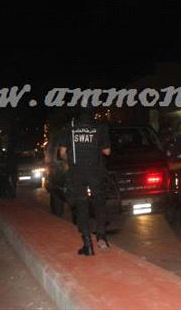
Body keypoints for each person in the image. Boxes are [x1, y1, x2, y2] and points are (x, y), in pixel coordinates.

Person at [58, 108, 112, 256]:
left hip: (77, 172)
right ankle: (102, 238)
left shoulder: (70, 128)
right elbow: (107, 151)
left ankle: (87, 244)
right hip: (95, 170)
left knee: (81, 205)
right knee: (99, 202)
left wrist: (69, 160)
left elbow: (62, 153)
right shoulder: (100, 127)